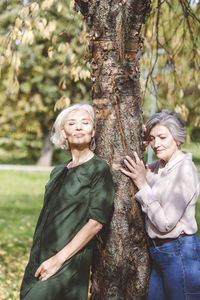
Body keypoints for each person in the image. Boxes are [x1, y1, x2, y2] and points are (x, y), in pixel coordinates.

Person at [20, 103, 115, 300]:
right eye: (72, 123)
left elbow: (96, 223)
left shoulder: (98, 169)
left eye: (85, 122)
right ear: (63, 132)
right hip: (39, 257)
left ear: (93, 130)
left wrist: (58, 260)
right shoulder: (58, 171)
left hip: (67, 262)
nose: (78, 127)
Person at [120, 110, 200, 300]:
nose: (156, 144)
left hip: (180, 252)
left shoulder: (185, 171)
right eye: (153, 138)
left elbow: (165, 223)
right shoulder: (160, 167)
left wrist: (142, 184)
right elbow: (136, 170)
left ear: (178, 139)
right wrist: (139, 145)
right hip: (159, 253)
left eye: (163, 137)